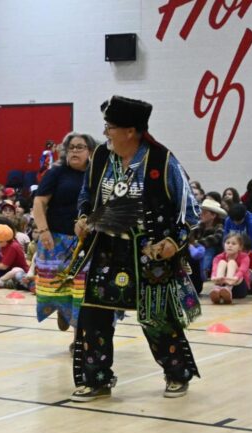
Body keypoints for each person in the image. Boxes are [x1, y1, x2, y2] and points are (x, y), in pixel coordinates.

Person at [69, 95, 201, 402]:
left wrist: (173, 242)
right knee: (93, 314)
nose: (105, 133)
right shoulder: (102, 156)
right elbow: (86, 195)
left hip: (151, 253)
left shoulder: (161, 160)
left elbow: (189, 210)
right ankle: (96, 378)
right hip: (107, 249)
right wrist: (83, 218)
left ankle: (177, 373)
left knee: (156, 316)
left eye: (110, 127)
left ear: (131, 131)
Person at [32, 132, 96, 333]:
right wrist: (43, 231)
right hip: (56, 240)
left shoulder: (97, 176)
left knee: (82, 291)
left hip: (86, 243)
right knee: (58, 288)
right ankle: (62, 310)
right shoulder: (56, 173)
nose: (75, 151)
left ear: (91, 152)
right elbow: (39, 202)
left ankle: (79, 339)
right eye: (71, 147)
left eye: (80, 147)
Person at [209, 233, 250, 304]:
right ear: (224, 245)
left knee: (231, 262)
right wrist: (214, 277)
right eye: (227, 243)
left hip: (238, 286)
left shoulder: (244, 257)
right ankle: (217, 288)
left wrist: (235, 278)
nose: (230, 245)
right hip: (222, 285)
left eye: (234, 244)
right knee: (222, 262)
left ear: (240, 247)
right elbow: (214, 269)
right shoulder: (218, 257)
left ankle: (228, 288)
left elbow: (242, 270)